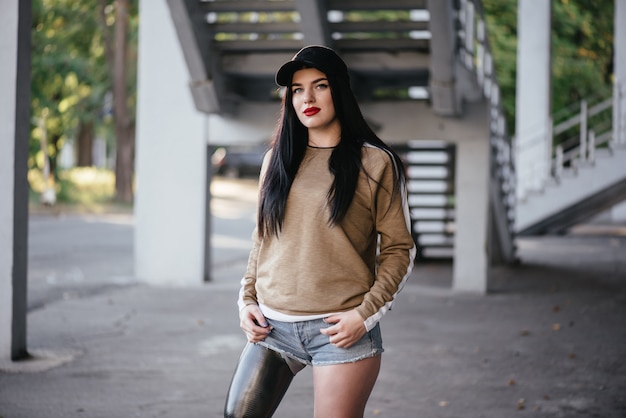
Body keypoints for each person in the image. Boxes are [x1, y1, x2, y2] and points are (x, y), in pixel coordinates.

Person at [224, 45, 417, 418]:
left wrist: (365, 315)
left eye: (320, 86)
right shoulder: (276, 160)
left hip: (340, 330)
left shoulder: (375, 162)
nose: (307, 98)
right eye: (297, 89)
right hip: (272, 328)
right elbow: (263, 240)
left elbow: (399, 249)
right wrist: (247, 300)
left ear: (339, 91)